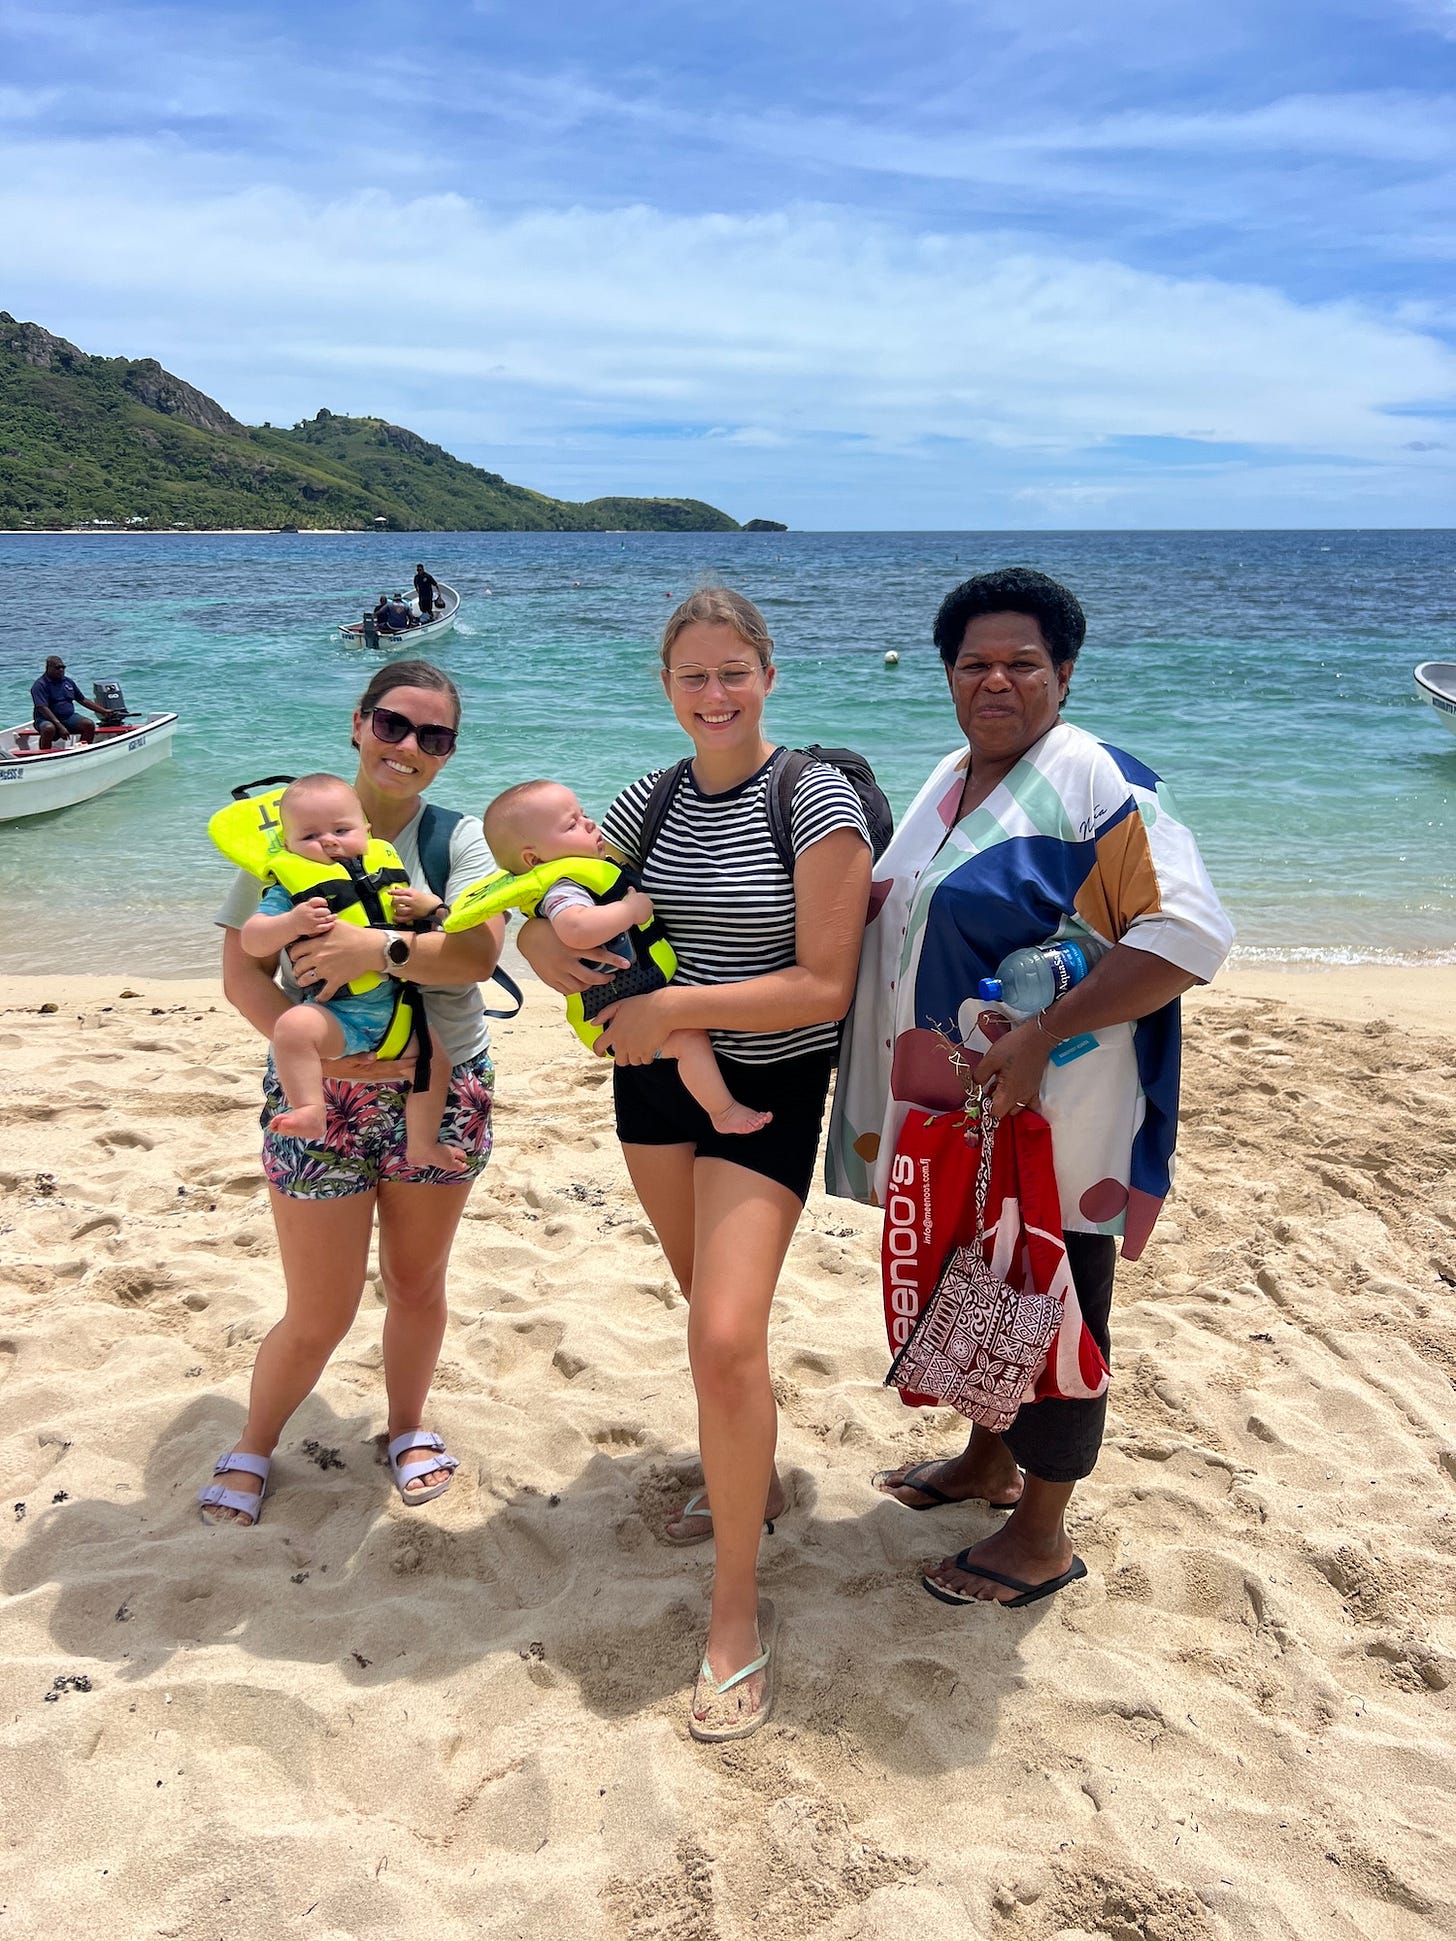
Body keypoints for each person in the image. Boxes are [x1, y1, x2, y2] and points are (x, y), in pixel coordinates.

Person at [827, 566, 1233, 1609]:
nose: (995, 681)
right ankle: (986, 1461)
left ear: (1064, 672)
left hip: (1064, 1118)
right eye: (974, 664)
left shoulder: (1104, 785)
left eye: (1021, 663)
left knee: (1054, 1298)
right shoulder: (948, 777)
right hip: (964, 1116)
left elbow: (1189, 936)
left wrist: (1044, 1030)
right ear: (948, 675)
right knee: (980, 1273)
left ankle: (1042, 1532)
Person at [518, 587, 872, 1742]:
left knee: (722, 1334)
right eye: (691, 678)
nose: (713, 696)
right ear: (665, 688)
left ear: (768, 672)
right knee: (708, 1317)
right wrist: (546, 947)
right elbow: (540, 907)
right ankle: (753, 1479)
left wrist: (668, 998)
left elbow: (824, 984)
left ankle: (733, 1608)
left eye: (732, 672)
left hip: (766, 1083)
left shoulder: (810, 798)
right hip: (651, 1081)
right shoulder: (649, 797)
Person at [200, 661, 506, 1528]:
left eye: (434, 736)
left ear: (448, 752)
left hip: (440, 1081)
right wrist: (325, 1063)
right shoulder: (287, 837)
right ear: (358, 723)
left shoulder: (458, 838)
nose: (408, 748)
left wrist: (375, 951)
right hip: (320, 1087)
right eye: (393, 724)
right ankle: (256, 1439)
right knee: (321, 1305)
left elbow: (479, 954)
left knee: (416, 1282)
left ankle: (406, 1427)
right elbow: (244, 977)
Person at [483, 778, 771, 1135]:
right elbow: (577, 929)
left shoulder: (584, 877)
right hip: (611, 1019)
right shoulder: (563, 888)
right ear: (534, 858)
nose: (589, 823)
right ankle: (723, 1111)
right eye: (571, 824)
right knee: (690, 1040)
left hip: (629, 1006)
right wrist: (631, 911)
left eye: (584, 814)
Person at [237, 772, 465, 1170]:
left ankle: (422, 1144)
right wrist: (292, 923)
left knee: (438, 1061)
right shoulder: (288, 892)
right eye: (309, 837)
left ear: (367, 830)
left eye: (342, 829)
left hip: (400, 1014)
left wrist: (428, 909)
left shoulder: (388, 874)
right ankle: (309, 1107)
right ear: (287, 844)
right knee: (292, 1028)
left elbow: (444, 940)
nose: (328, 840)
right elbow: (253, 941)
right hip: (336, 1015)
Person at [30, 655, 103, 749]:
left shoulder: (68, 682)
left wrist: (104, 711)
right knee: (49, 728)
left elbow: (82, 700)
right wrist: (59, 725)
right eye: (57, 668)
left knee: (88, 724)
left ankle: (82, 749)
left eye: (63, 667)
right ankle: (44, 754)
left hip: (68, 718)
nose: (61, 670)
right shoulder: (40, 685)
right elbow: (42, 707)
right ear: (48, 668)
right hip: (45, 719)